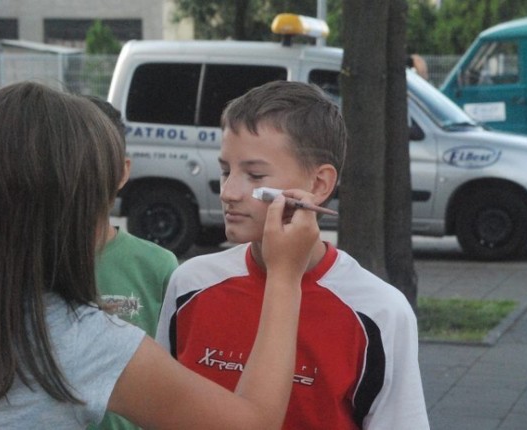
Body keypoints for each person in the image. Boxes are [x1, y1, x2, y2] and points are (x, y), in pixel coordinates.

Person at [0, 81, 320, 428]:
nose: (231, 190)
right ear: (71, 207)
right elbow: (253, 423)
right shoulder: (79, 339)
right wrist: (284, 276)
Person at [156, 80, 430, 429]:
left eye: (255, 175)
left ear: (318, 185)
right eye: (226, 170)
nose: (228, 191)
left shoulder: (379, 310)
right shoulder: (190, 283)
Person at [83, 97, 179, 430]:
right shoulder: (20, 266)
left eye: (96, 159)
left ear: (123, 170)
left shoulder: (159, 267)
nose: (81, 172)